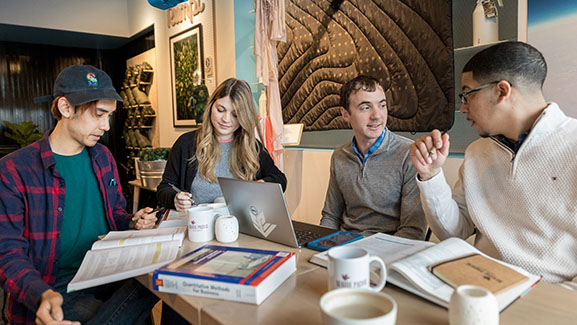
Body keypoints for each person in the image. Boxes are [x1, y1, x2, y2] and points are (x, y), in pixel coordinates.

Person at [0, 65, 159, 325]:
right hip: (57, 287)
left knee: (162, 280)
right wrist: (42, 294)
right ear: (65, 108)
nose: (106, 126)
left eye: (109, 116)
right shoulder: (14, 169)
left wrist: (131, 221)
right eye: (99, 115)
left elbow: (115, 213)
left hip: (109, 273)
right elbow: (7, 252)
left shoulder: (103, 157)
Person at [409, 41, 577, 287]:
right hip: (479, 284)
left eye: (466, 94)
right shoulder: (477, 153)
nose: (463, 108)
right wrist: (431, 175)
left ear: (501, 91)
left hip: (551, 297)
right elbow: (454, 232)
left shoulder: (572, 145)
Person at [320, 75, 427, 239]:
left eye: (382, 105)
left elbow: (412, 231)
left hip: (387, 251)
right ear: (345, 114)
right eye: (365, 107)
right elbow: (330, 217)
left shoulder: (409, 154)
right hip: (345, 246)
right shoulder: (339, 156)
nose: (377, 116)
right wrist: (323, 245)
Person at [157, 77, 286, 210]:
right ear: (211, 105)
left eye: (235, 115)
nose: (226, 119)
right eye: (221, 110)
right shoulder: (186, 144)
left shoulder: (252, 147)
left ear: (244, 117)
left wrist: (260, 185)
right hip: (198, 224)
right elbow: (164, 188)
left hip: (238, 224)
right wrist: (174, 199)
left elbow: (280, 180)